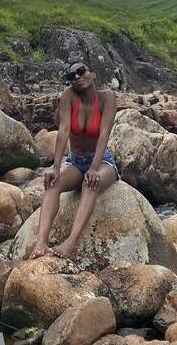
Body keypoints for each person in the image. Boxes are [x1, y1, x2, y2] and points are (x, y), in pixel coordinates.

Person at [29, 61, 118, 259]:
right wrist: (55, 167)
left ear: (93, 74)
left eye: (81, 71)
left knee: (90, 183)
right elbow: (64, 131)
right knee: (53, 184)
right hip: (76, 160)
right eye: (71, 76)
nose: (77, 77)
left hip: (102, 161)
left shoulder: (107, 98)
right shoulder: (68, 96)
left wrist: (94, 168)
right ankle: (41, 242)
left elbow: (104, 133)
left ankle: (70, 241)